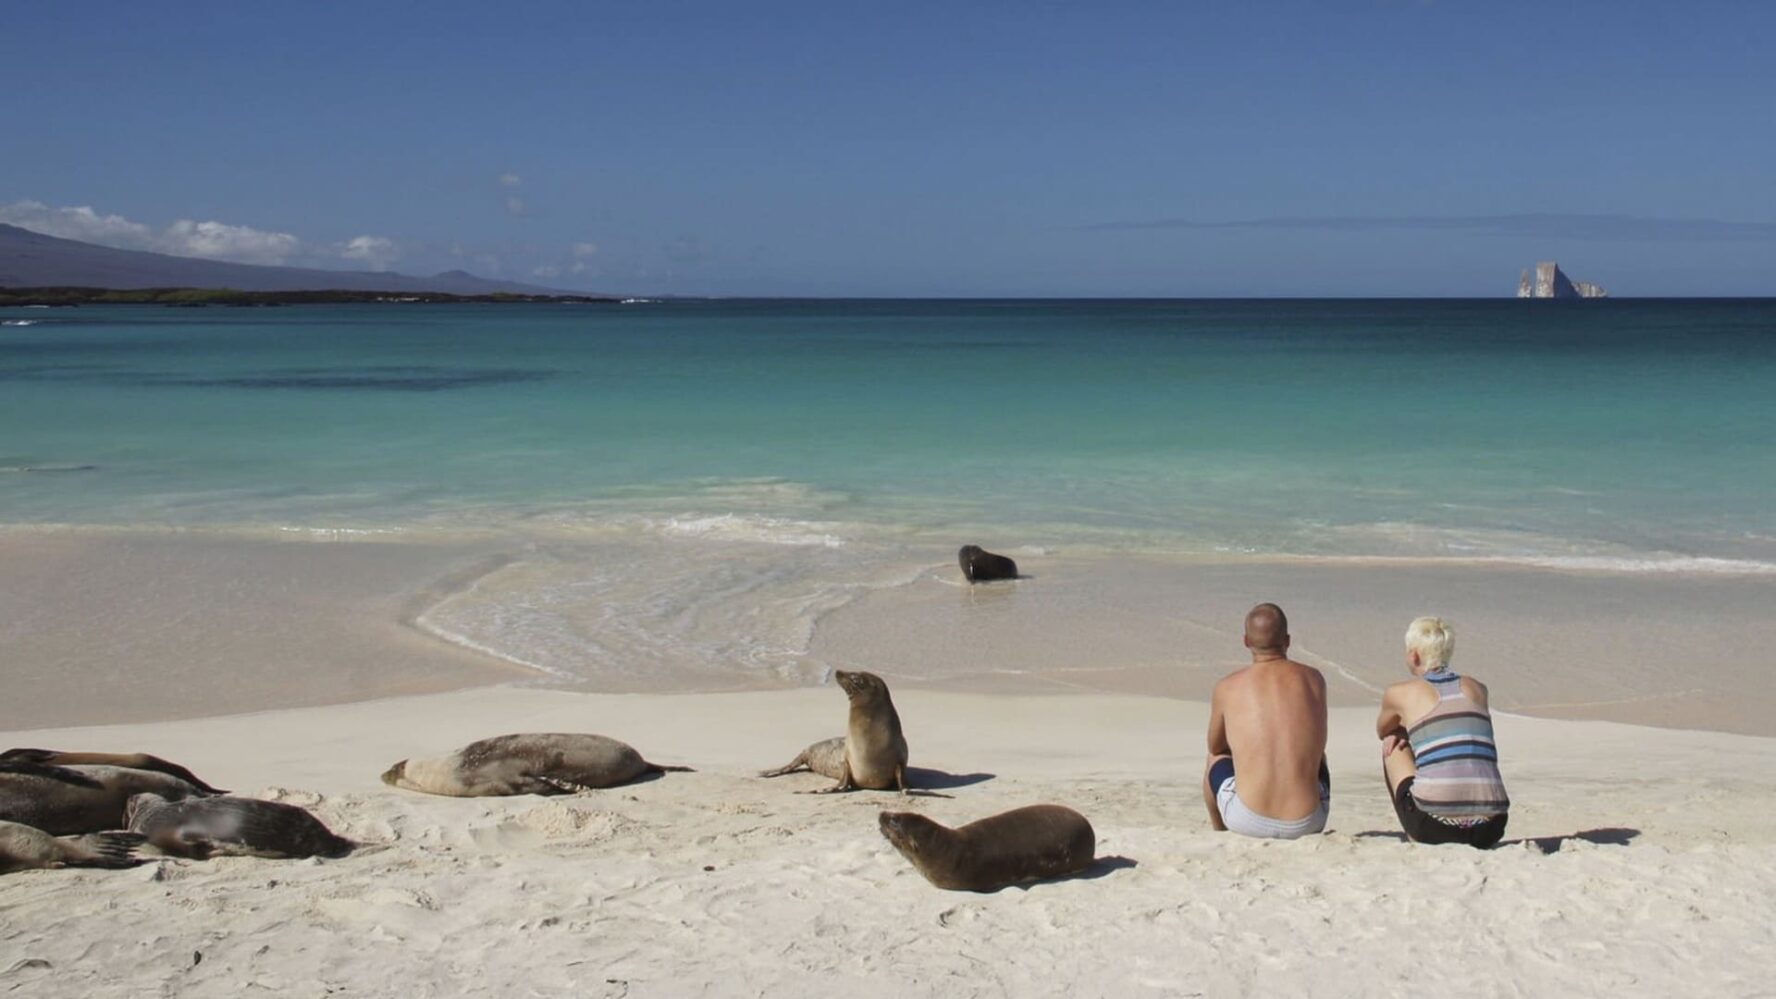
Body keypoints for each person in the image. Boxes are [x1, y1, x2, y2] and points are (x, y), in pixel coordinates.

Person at [1374, 616, 1510, 847]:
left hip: (1433, 826)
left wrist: (1403, 732)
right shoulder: (1478, 689)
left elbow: (1383, 728)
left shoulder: (1399, 693)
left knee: (1391, 742)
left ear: (1414, 655)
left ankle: (1414, 833)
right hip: (1492, 827)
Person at [1203, 603, 1330, 839]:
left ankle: (1219, 831)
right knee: (1317, 757)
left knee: (1214, 759)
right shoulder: (1314, 679)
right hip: (1309, 821)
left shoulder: (1227, 687)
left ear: (1246, 641)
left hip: (1247, 820)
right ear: (1288, 640)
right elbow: (1318, 743)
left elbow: (1215, 746)